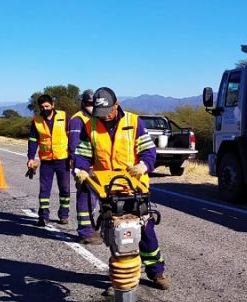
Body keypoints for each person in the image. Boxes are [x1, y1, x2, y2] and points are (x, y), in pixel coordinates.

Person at [79, 87, 169, 290]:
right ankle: (122, 277)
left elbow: (148, 150)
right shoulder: (90, 125)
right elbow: (83, 154)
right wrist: (81, 170)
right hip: (107, 190)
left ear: (116, 104)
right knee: (115, 233)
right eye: (100, 114)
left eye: (108, 112)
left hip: (134, 187)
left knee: (146, 232)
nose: (105, 117)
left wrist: (144, 166)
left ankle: (156, 272)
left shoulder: (134, 122)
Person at [27, 94, 70, 227]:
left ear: (53, 105)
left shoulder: (64, 117)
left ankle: (64, 215)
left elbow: (72, 136)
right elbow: (33, 140)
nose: (45, 109)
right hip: (46, 161)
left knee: (65, 189)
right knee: (44, 190)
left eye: (47, 106)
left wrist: (74, 156)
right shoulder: (37, 120)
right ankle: (43, 216)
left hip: (63, 160)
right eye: (42, 107)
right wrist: (31, 158)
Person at [67, 90, 102, 244]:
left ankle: (92, 227)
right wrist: (78, 167)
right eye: (88, 104)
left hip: (98, 166)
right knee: (86, 196)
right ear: (83, 103)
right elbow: (74, 145)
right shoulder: (77, 120)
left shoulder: (96, 118)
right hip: (84, 166)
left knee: (95, 199)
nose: (91, 107)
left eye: (93, 104)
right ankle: (85, 232)